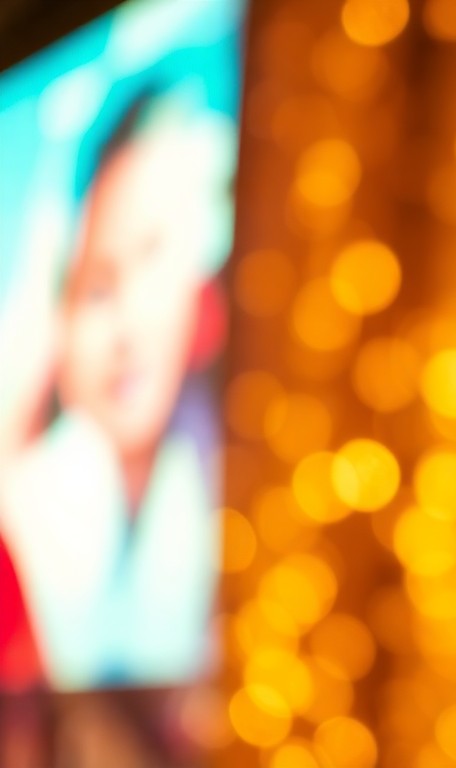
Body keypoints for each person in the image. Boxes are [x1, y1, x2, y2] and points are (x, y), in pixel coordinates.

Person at [0, 81, 227, 691]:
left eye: (152, 255)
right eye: (96, 288)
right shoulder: (37, 504)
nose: (128, 326)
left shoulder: (226, 469)